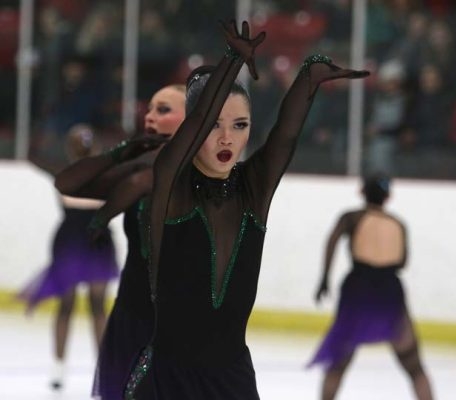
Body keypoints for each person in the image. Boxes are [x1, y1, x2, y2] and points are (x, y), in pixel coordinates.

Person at [111, 20, 369, 399]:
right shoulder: (171, 185)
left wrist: (308, 78)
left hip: (232, 380)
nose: (227, 138)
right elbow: (194, 123)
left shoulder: (253, 191)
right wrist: (232, 61)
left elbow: (285, 135)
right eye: (214, 125)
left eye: (240, 124)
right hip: (166, 380)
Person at [54, 84, 186, 399]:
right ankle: (58, 365)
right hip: (133, 314)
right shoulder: (137, 171)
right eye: (150, 108)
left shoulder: (215, 179)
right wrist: (120, 152)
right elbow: (68, 183)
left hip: (184, 322)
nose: (150, 117)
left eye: (163, 109)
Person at [308, 173, 434, 400]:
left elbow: (332, 240)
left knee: (339, 361)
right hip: (389, 289)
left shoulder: (351, 218)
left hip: (359, 286)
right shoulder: (398, 224)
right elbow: (403, 261)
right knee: (414, 365)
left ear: (362, 192)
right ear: (389, 196)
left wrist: (324, 278)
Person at [17, 124, 119, 391]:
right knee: (94, 307)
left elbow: (32, 156)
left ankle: (59, 369)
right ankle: (91, 369)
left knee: (69, 305)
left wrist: (42, 136)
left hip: (74, 241)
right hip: (91, 241)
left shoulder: (64, 172)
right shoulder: (105, 174)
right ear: (94, 147)